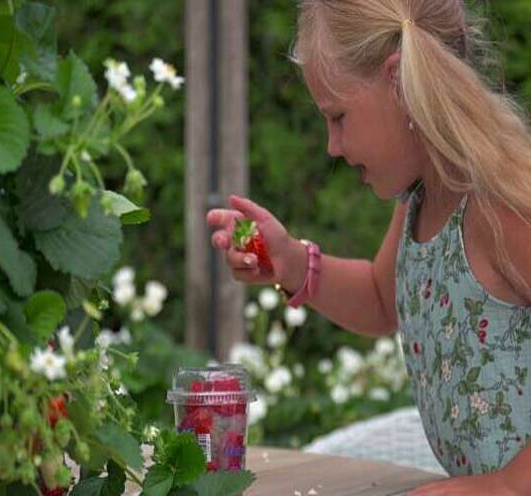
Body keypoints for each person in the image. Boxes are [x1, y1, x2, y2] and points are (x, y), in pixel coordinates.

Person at [207, 1, 531, 494]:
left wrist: (509, 483)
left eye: (337, 117)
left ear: (399, 83)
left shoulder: (501, 207)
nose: (331, 146)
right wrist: (292, 264)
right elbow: (383, 301)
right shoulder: (421, 197)